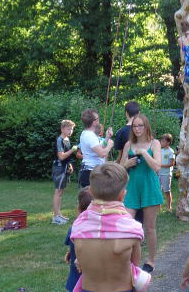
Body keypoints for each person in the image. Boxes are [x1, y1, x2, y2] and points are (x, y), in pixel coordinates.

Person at [70, 162, 144, 292]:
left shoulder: (79, 226)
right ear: (122, 194)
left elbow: (80, 261)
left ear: (91, 191)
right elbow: (135, 265)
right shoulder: (132, 229)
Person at [116, 113, 163, 273]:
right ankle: (129, 260)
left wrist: (144, 153)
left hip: (150, 187)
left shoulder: (155, 143)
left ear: (146, 126)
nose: (137, 129)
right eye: (135, 126)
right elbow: (121, 167)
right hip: (132, 188)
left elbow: (157, 167)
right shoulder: (129, 144)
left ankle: (151, 260)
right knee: (126, 225)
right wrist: (127, 163)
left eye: (140, 125)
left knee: (149, 227)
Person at [64, 187, 93, 292]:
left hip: (76, 279)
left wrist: (71, 253)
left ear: (79, 208)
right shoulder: (101, 231)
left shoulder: (74, 229)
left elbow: (74, 244)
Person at [79, 109, 114, 188]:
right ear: (94, 122)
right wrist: (110, 145)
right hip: (91, 172)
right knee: (94, 199)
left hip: (92, 171)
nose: (99, 120)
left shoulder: (88, 134)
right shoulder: (90, 136)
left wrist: (107, 138)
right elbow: (102, 154)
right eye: (98, 118)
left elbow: (100, 147)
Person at [53, 119, 79, 224]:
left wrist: (70, 164)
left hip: (65, 167)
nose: (70, 131)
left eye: (72, 129)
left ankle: (59, 214)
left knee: (61, 192)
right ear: (62, 129)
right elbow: (61, 156)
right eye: (68, 129)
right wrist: (73, 150)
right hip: (59, 168)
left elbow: (67, 158)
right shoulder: (59, 140)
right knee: (58, 191)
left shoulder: (67, 139)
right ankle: (55, 217)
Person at [158, 133, 176, 212]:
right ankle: (159, 207)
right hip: (159, 173)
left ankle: (169, 207)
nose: (161, 142)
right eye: (161, 141)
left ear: (168, 142)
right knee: (158, 191)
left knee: (167, 191)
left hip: (166, 174)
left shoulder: (171, 152)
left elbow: (172, 164)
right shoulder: (160, 150)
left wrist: (161, 165)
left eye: (163, 141)